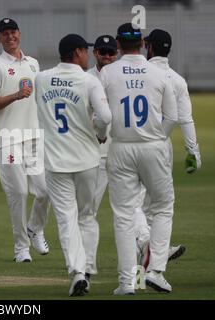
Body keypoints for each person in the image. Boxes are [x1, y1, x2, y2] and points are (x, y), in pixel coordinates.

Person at [99, 23, 178, 295]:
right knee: (163, 207)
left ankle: (126, 282)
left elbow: (100, 115)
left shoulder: (107, 72)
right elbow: (173, 116)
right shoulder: (159, 73)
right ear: (143, 43)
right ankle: (155, 271)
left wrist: (101, 134)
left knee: (123, 216)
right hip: (153, 147)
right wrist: (158, 137)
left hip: (120, 147)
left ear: (119, 45)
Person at [35, 34, 111, 296]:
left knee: (66, 218)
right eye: (86, 50)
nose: (88, 55)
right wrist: (100, 134)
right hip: (87, 159)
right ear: (76, 52)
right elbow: (105, 116)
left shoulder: (41, 79)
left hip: (56, 161)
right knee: (87, 216)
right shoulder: (89, 80)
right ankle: (87, 269)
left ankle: (77, 272)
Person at [135, 28, 202, 267]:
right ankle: (150, 256)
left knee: (135, 204)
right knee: (157, 206)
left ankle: (148, 248)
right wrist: (193, 152)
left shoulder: (141, 73)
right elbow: (185, 119)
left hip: (134, 144)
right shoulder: (178, 80)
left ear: (149, 47)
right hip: (162, 149)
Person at [0, 18, 50, 263]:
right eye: (5, 33)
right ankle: (21, 248)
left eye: (13, 32)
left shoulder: (33, 63)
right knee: (19, 193)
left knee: (45, 191)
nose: (10, 36)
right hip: (8, 138)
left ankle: (35, 227)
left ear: (19, 34)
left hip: (33, 137)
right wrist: (15, 95)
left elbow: (39, 100)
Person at [85, 35, 118, 282]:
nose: (107, 57)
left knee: (130, 210)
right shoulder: (86, 78)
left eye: (111, 52)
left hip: (122, 153)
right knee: (90, 211)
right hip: (95, 155)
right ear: (95, 53)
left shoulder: (121, 76)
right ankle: (88, 265)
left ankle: (147, 253)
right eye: (103, 52)